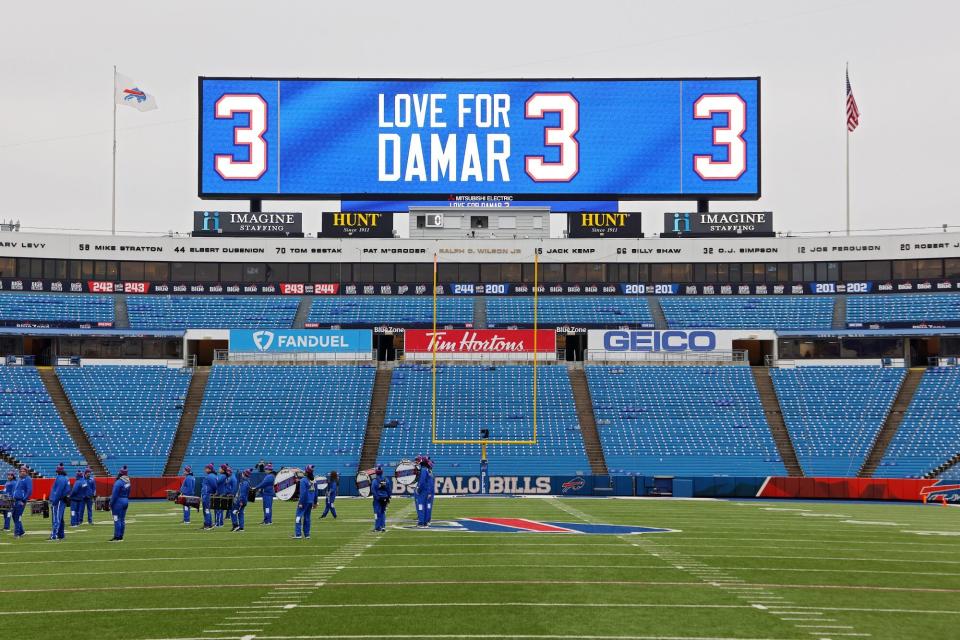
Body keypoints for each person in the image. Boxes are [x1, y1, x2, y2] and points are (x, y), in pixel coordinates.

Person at [293, 465, 317, 539]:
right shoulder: (314, 480)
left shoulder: (303, 480)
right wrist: (315, 502)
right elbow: (316, 492)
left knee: (298, 517)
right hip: (310, 501)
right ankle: (307, 534)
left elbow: (303, 493)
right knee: (307, 518)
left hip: (304, 502)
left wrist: (300, 502)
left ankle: (298, 534)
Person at [109, 466, 131, 542]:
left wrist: (111, 504)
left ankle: (117, 537)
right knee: (122, 519)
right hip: (125, 501)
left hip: (118, 502)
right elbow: (128, 493)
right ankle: (121, 536)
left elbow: (114, 495)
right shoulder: (128, 482)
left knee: (116, 519)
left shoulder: (118, 482)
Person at [48, 463, 69, 541]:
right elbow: (67, 490)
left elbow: (58, 491)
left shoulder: (60, 478)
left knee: (56, 518)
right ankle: (61, 535)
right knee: (60, 519)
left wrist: (54, 501)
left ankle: (54, 535)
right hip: (62, 500)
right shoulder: (65, 478)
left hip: (58, 500)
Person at [12, 466, 31, 538]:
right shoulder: (19, 479)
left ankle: (17, 534)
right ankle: (21, 531)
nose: (22, 472)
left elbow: (29, 490)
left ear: (26, 472)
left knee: (18, 517)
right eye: (21, 471)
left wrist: (24, 500)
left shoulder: (28, 479)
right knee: (14, 516)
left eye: (24, 471)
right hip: (15, 500)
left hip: (21, 501)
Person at [415, 456, 435, 528]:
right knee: (427, 507)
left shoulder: (423, 470)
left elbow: (422, 481)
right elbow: (431, 483)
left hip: (423, 491)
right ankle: (426, 522)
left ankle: (421, 522)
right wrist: (430, 492)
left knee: (421, 506)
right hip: (428, 491)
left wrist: (418, 488)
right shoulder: (428, 471)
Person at [371, 465, 391, 532]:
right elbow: (389, 489)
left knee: (376, 513)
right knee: (383, 512)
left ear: (376, 472)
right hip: (384, 498)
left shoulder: (375, 480)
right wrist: (388, 497)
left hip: (377, 499)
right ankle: (383, 527)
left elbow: (373, 490)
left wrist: (377, 497)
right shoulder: (386, 479)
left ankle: (377, 527)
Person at [201, 462, 218, 530]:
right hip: (206, 494)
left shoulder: (211, 476)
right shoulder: (211, 476)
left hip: (207, 495)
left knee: (207, 510)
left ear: (210, 469)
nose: (205, 470)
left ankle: (207, 524)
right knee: (206, 510)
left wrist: (213, 493)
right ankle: (209, 523)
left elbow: (214, 486)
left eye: (206, 468)